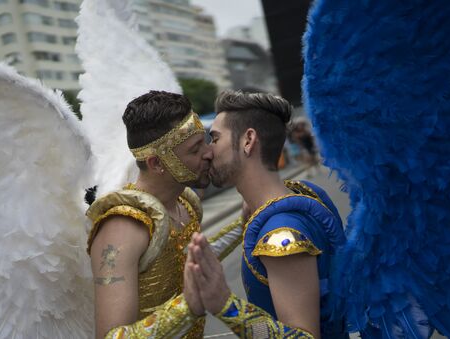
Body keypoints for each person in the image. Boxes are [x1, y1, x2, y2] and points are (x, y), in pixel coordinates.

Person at [185, 90, 348, 338]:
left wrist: (225, 305)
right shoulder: (306, 195)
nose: (208, 152)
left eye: (215, 138)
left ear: (248, 140)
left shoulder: (281, 235)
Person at [86, 90, 242, 338]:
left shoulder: (185, 204)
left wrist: (245, 222)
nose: (209, 152)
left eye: (205, 141)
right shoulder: (123, 227)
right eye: (194, 149)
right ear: (156, 163)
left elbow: (188, 262)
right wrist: (187, 307)